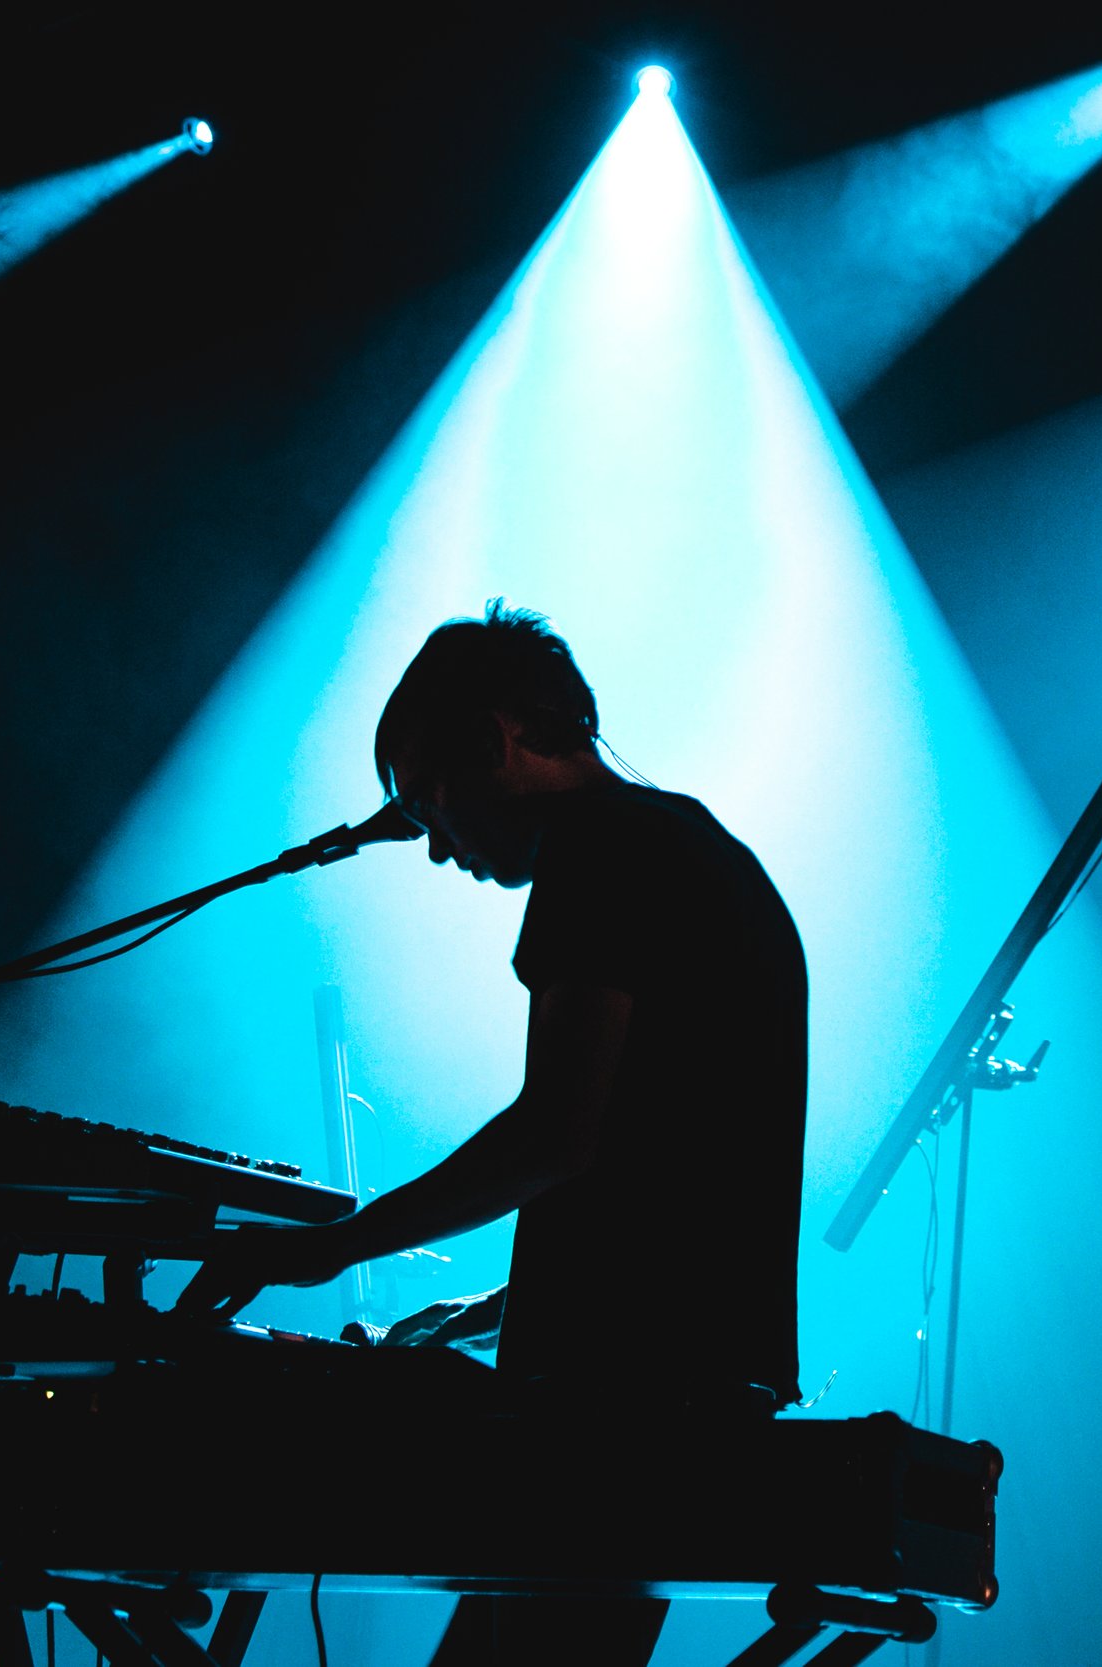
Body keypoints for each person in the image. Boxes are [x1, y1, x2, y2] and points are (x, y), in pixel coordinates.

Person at [180, 601, 808, 1664]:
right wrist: (493, 1307)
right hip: (691, 1378)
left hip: (624, 1401)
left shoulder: (602, 850)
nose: (434, 847)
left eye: (427, 800)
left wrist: (322, 1246)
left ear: (494, 740)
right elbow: (670, 1164)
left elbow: (555, 1130)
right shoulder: (701, 849)